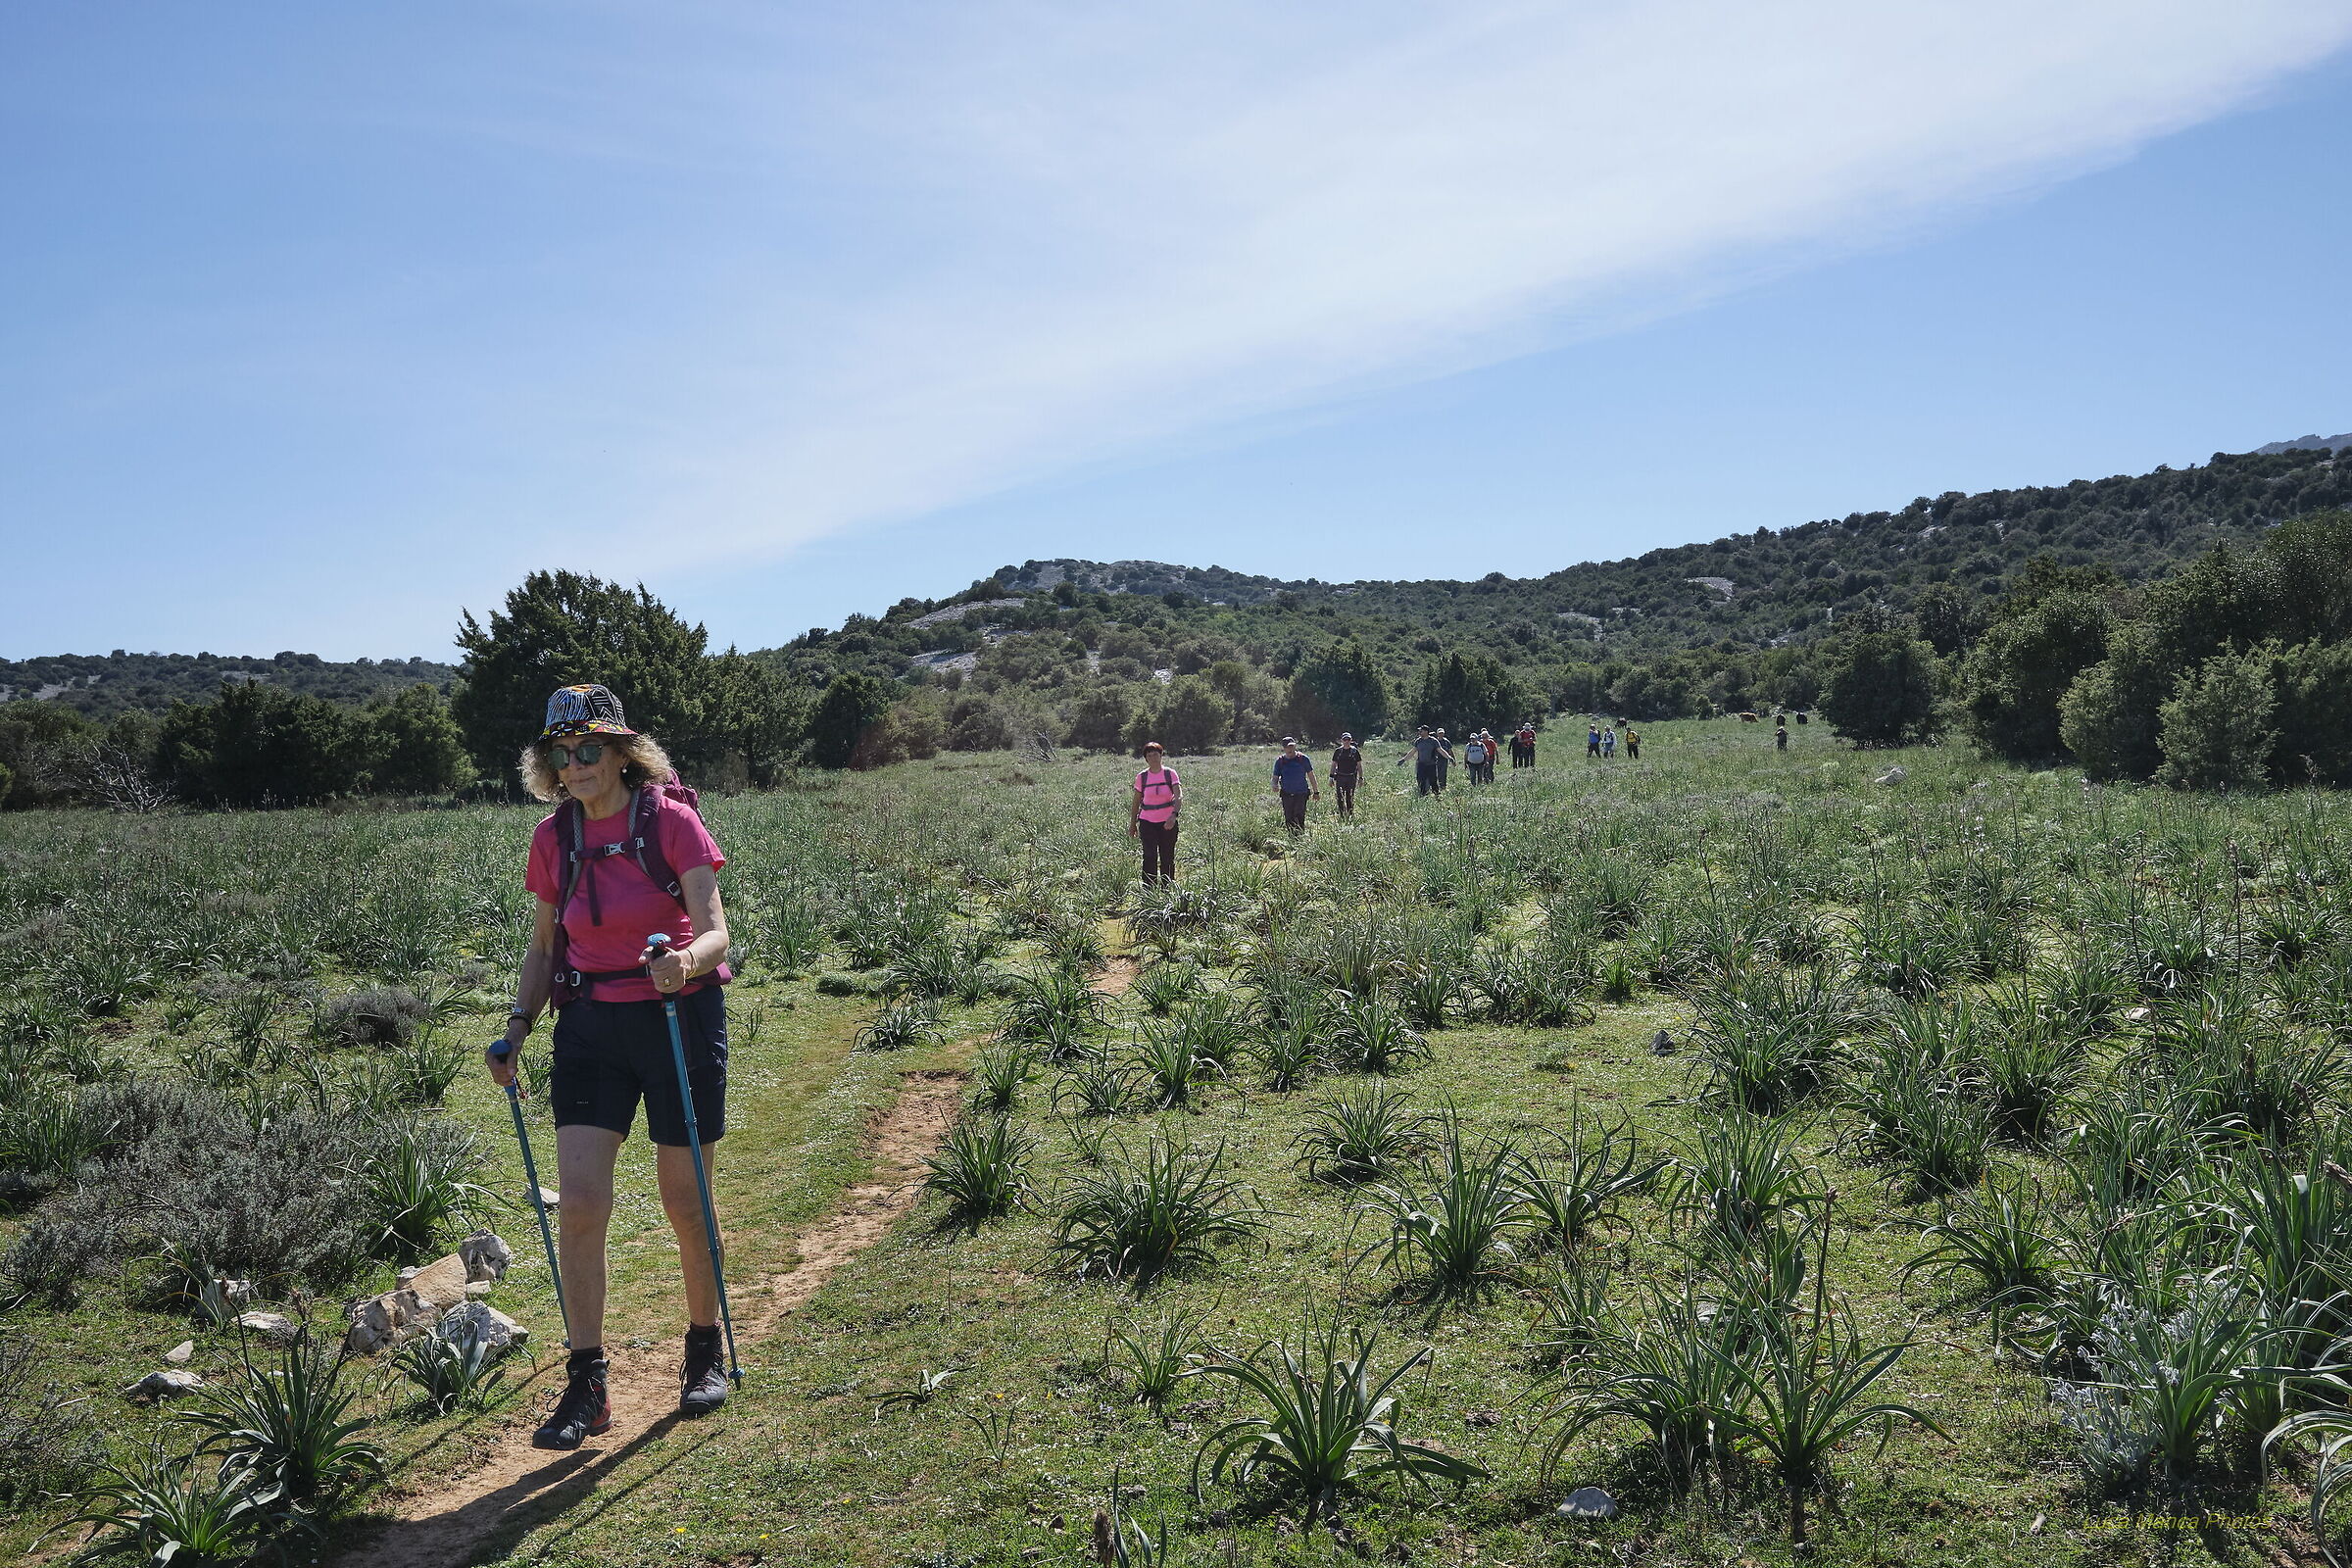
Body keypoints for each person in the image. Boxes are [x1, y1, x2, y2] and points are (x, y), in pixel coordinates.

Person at [488, 683, 735, 1450]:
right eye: (561, 754)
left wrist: (686, 961)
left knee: (683, 1201)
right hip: (589, 1024)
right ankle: (587, 1383)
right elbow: (544, 946)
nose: (575, 764)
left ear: (624, 752)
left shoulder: (672, 823)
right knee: (583, 1204)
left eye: (589, 749)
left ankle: (703, 1352)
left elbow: (717, 929)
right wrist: (518, 1026)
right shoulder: (552, 838)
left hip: (675, 1018)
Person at [1130, 742, 1181, 883]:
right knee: (1149, 856)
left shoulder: (1170, 774)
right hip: (1147, 823)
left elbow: (1178, 796)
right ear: (1146, 759)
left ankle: (1167, 889)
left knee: (1167, 857)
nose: (1153, 758)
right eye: (1149, 755)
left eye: (1156, 754)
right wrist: (1132, 824)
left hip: (1167, 823)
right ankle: (1149, 893)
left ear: (1161, 755)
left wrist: (1173, 815)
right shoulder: (1142, 777)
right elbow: (1136, 802)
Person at [1272, 736, 1318, 833]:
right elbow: (1275, 776)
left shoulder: (1303, 759)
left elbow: (1311, 776)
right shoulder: (1280, 761)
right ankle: (1291, 839)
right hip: (1286, 794)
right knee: (1288, 817)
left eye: (1292, 746)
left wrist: (1316, 792)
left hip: (1301, 793)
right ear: (1284, 748)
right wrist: (1274, 785)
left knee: (1299, 816)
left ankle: (1300, 838)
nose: (1290, 749)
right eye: (1288, 747)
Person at [1396, 726, 1452, 796]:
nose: (1419, 732)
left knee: (1433, 782)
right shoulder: (1418, 741)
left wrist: (1449, 757)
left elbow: (1441, 750)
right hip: (1421, 765)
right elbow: (1412, 752)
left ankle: (1437, 796)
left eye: (1421, 731)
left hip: (1431, 765)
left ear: (1426, 732)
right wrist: (1403, 760)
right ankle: (1423, 796)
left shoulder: (1433, 741)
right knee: (1421, 781)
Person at [1330, 732, 1364, 818]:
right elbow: (1333, 764)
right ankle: (1342, 816)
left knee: (1350, 797)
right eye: (1345, 739)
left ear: (1351, 740)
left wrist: (1361, 778)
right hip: (1340, 777)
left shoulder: (1355, 751)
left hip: (1351, 777)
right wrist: (1331, 777)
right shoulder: (1338, 751)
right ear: (1342, 740)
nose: (1346, 741)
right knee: (1340, 798)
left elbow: (1359, 765)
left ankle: (1350, 815)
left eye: (1348, 739)